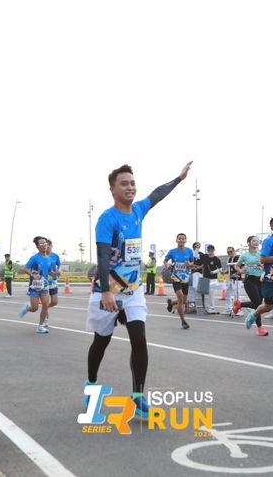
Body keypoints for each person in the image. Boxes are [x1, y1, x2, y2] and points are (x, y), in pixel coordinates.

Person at [85, 161, 192, 421]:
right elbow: (102, 256)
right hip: (108, 290)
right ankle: (91, 384)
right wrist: (107, 293)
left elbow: (157, 194)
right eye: (124, 184)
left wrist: (178, 179)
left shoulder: (138, 210)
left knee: (139, 339)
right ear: (112, 189)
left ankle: (138, 396)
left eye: (132, 183)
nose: (130, 188)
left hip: (133, 289)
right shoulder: (107, 219)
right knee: (101, 341)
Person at [18, 237, 56, 334]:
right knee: (34, 308)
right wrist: (33, 274)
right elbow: (26, 268)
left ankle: (40, 326)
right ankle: (27, 308)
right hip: (35, 286)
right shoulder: (34, 258)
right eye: (41, 244)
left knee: (45, 304)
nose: (44, 245)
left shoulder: (49, 259)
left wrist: (56, 273)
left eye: (45, 243)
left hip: (45, 285)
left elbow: (50, 272)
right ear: (37, 247)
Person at [234, 236, 267, 335]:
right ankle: (260, 328)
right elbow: (236, 265)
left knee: (259, 304)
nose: (256, 242)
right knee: (258, 305)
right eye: (254, 241)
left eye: (257, 241)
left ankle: (240, 304)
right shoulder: (244, 255)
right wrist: (241, 271)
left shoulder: (261, 254)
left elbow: (266, 266)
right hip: (250, 280)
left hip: (260, 280)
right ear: (248, 243)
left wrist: (262, 265)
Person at [164, 233, 195, 329]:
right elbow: (165, 261)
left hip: (185, 278)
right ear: (176, 240)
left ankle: (172, 303)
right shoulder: (172, 251)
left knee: (184, 300)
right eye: (179, 239)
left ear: (185, 241)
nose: (181, 240)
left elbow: (193, 262)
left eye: (183, 239)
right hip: (176, 277)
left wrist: (189, 264)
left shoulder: (189, 251)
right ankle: (183, 321)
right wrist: (167, 265)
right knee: (180, 297)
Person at [45, 239, 62, 327]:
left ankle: (45, 308)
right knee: (46, 301)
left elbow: (59, 265)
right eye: (46, 245)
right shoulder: (42, 256)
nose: (48, 247)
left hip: (53, 281)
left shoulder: (55, 256)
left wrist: (59, 271)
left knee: (55, 302)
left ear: (52, 246)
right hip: (44, 281)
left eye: (49, 245)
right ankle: (45, 320)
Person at [201, 245, 222, 314]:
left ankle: (212, 308)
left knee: (211, 294)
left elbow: (220, 269)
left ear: (214, 250)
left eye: (211, 250)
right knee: (203, 294)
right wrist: (197, 248)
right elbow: (196, 255)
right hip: (205, 278)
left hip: (213, 279)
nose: (210, 251)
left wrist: (213, 272)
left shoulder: (216, 259)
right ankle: (204, 308)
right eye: (209, 250)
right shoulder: (205, 257)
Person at [223, 247, 242, 316]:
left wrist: (236, 273)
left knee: (237, 295)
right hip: (229, 279)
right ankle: (228, 309)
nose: (229, 253)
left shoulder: (238, 257)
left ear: (234, 251)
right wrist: (224, 272)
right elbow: (228, 269)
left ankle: (239, 310)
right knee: (227, 294)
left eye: (231, 251)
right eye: (228, 252)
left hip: (237, 279)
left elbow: (242, 267)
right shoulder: (229, 259)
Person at [187, 241, 203, 312]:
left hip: (199, 273)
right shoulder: (190, 254)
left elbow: (204, 263)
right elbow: (187, 263)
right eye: (196, 246)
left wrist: (199, 267)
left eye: (198, 246)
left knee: (198, 290)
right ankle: (191, 306)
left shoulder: (201, 254)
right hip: (191, 273)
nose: (197, 247)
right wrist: (192, 266)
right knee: (191, 289)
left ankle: (198, 306)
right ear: (193, 247)